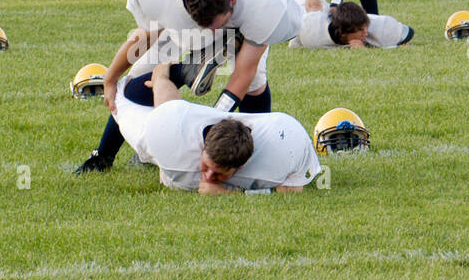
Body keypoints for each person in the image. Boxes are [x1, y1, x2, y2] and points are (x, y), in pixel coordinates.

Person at [75, 0, 302, 173]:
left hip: (247, 4)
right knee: (138, 76)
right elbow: (144, 36)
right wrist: (110, 79)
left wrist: (213, 123)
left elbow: (244, 73)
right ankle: (105, 154)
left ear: (233, 0)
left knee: (255, 82)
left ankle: (256, 156)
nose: (209, 32)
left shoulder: (262, 5)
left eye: (214, 26)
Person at [117, 60, 321, 194]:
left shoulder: (287, 143)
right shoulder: (166, 129)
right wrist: (161, 77)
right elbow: (168, 108)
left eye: (219, 174)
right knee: (122, 98)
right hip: (168, 130)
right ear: (203, 147)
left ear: (240, 167)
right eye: (206, 167)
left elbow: (293, 189)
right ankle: (183, 68)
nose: (208, 177)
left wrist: (231, 194)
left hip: (277, 132)